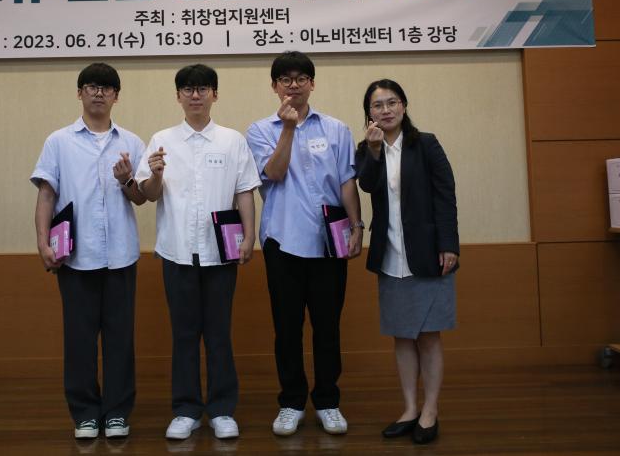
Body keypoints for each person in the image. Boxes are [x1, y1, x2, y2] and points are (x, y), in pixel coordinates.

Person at [135, 64, 261, 441]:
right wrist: (156, 174)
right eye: (188, 89)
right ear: (178, 96)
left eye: (203, 88)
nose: (195, 95)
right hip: (177, 253)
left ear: (214, 95)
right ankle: (186, 410)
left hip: (220, 254)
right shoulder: (162, 140)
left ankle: (222, 409)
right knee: (184, 335)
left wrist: (249, 237)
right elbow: (148, 195)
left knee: (219, 334)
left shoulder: (232, 140)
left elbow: (244, 191)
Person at [245, 51, 363, 437]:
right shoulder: (259, 130)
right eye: (285, 79)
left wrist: (357, 226)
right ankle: (292, 402)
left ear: (312, 83)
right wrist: (288, 128)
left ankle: (328, 401)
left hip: (329, 242)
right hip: (283, 241)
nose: (293, 85)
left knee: (328, 327)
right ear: (274, 86)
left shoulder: (337, 129)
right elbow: (274, 174)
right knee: (287, 328)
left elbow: (346, 182)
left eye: (300, 78)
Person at [31, 62, 148, 440]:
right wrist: (42, 241)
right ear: (79, 93)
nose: (99, 93)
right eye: (91, 86)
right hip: (75, 257)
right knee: (79, 339)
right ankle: (84, 413)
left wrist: (126, 180)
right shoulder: (59, 141)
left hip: (120, 257)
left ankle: (116, 413)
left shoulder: (131, 142)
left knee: (120, 339)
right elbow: (46, 194)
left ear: (117, 96)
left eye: (106, 88)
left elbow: (141, 198)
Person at [354, 78, 459, 445]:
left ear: (404, 106)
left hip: (428, 254)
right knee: (402, 336)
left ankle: (430, 410)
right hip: (391, 256)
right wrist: (373, 151)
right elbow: (367, 186)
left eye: (392, 102)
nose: (386, 110)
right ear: (369, 112)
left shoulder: (425, 144)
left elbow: (446, 195)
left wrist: (449, 244)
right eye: (377, 105)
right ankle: (410, 408)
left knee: (428, 336)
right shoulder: (366, 148)